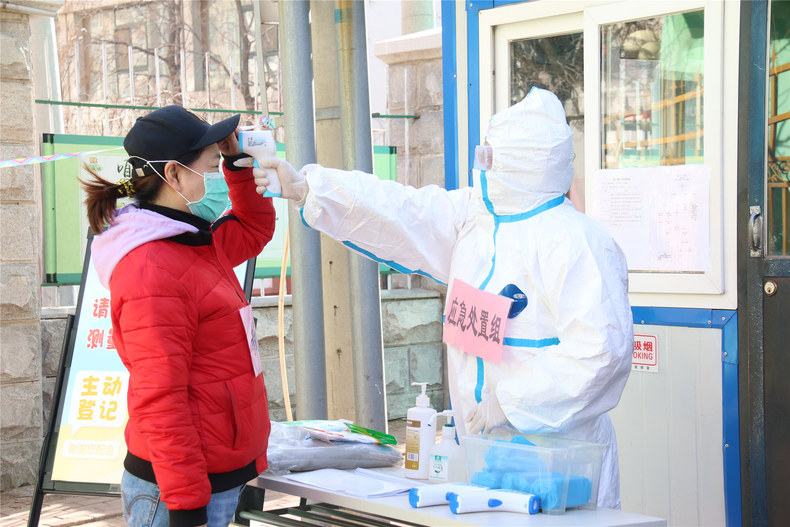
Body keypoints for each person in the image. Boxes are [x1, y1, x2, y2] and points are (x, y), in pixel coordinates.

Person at [255, 87, 633, 509]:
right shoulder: (476, 220)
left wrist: (509, 402)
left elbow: (601, 354)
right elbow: (399, 210)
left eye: (490, 154)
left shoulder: (576, 243)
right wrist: (311, 188)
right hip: (484, 459)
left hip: (561, 466)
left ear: (521, 161)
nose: (481, 162)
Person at [82, 105, 276, 527]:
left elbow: (253, 228)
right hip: (182, 490)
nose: (217, 179)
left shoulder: (192, 240)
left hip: (219, 470)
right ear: (173, 175)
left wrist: (235, 164)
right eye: (211, 168)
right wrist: (186, 506)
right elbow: (161, 396)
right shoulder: (153, 266)